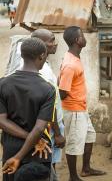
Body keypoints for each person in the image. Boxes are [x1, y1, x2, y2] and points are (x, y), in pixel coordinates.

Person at [4, 29, 66, 180]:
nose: (55, 43)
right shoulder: (46, 88)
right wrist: (35, 139)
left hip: (11, 147)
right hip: (38, 149)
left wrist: (16, 155)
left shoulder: (3, 83)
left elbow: (1, 121)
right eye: (51, 40)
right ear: (42, 55)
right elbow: (39, 127)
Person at [59, 26, 105, 181]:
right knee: (73, 143)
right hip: (74, 110)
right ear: (77, 41)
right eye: (82, 36)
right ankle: (73, 177)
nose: (84, 38)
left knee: (90, 136)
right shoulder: (70, 64)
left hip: (81, 108)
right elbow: (62, 91)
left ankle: (86, 168)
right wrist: (74, 106)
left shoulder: (74, 58)